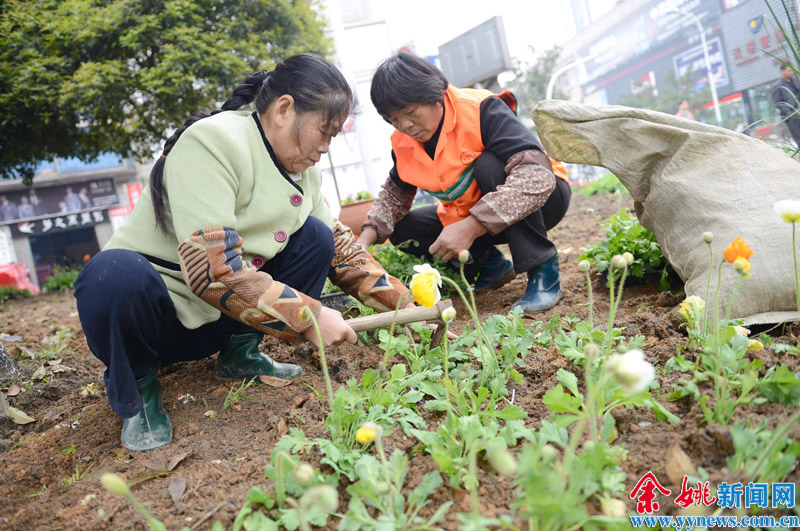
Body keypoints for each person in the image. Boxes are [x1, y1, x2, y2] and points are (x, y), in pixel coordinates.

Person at [74, 54, 409, 452]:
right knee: (111, 274)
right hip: (156, 321)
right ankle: (141, 390)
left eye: (334, 137)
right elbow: (212, 271)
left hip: (224, 317)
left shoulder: (306, 173)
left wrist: (408, 308)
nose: (325, 147)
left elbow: (343, 253)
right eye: (324, 131)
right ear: (284, 109)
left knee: (317, 236)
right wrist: (310, 316)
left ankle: (240, 354)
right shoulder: (213, 142)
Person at [357, 52, 571, 314]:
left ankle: (543, 273)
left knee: (490, 165)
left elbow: (536, 177)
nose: (406, 125)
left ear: (436, 95)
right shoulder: (403, 144)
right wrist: (364, 241)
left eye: (411, 112)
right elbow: (394, 195)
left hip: (544, 201)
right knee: (403, 230)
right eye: (394, 119)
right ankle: (491, 267)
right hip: (483, 216)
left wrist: (472, 225)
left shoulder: (481, 109)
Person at [773, 64, 800, 147]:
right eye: (789, 70)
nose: (792, 72)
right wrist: (788, 112)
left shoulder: (796, 81)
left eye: (792, 70)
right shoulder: (778, 85)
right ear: (782, 71)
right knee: (798, 137)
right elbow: (777, 102)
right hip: (792, 115)